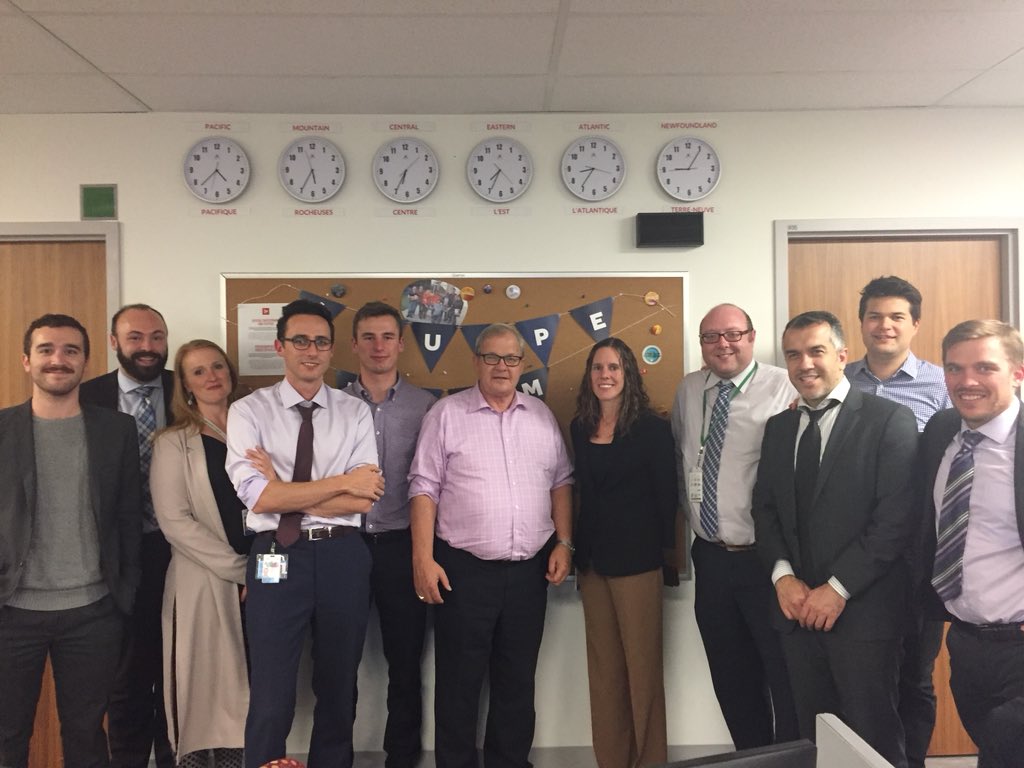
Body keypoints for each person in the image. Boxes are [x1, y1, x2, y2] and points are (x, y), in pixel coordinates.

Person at [752, 310, 918, 768]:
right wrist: (783, 578)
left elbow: (894, 521)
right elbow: (764, 511)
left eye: (816, 351)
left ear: (842, 356)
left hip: (863, 614)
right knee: (813, 740)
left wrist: (838, 588)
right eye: (793, 355)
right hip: (796, 613)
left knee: (873, 740)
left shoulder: (889, 420)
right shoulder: (778, 428)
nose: (804, 364)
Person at [225, 298, 385, 768]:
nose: (311, 351)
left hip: (342, 556)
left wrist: (283, 487)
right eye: (300, 341)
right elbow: (259, 498)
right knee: (271, 689)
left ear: (332, 350)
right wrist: (337, 483)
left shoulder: (354, 412)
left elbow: (364, 499)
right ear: (280, 346)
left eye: (320, 342)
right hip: (275, 554)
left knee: (338, 686)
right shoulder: (248, 412)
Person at [409, 323, 574, 768]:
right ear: (476, 361)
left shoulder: (541, 416)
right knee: (459, 683)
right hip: (463, 571)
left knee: (517, 682)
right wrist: (422, 558)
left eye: (511, 358)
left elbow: (561, 481)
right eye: (492, 357)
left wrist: (564, 542)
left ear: (522, 364)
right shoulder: (446, 414)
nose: (502, 366)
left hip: (528, 574)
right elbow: (423, 487)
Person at [0, 313, 141, 768]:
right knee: (7, 735)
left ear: (86, 361)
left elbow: (128, 516)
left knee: (86, 736)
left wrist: (124, 593)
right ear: (26, 360)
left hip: (93, 613)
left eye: (70, 351)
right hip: (11, 612)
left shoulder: (116, 430)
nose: (58, 360)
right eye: (46, 350)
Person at [670, 304, 799, 749]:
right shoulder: (689, 389)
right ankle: (752, 757)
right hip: (709, 557)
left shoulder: (784, 386)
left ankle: (789, 760)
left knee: (783, 675)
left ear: (752, 336)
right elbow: (682, 456)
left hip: (766, 562)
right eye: (710, 337)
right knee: (731, 677)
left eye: (732, 334)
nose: (722, 344)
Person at [845, 276, 951, 768]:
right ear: (861, 323)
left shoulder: (943, 385)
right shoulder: (840, 380)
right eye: (874, 316)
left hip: (920, 556)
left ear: (915, 324)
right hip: (855, 553)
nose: (884, 325)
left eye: (896, 317)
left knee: (915, 676)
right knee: (863, 676)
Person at [920, 319, 1024, 768]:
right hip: (965, 643)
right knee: (991, 746)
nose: (967, 381)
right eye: (954, 368)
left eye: (984, 367)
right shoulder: (942, 431)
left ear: (1017, 372)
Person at [571, 337, 676, 768]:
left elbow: (667, 499)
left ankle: (649, 761)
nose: (605, 375)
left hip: (638, 565)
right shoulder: (580, 427)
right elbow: (583, 495)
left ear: (628, 373)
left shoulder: (653, 429)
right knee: (604, 674)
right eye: (598, 368)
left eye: (614, 367)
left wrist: (663, 557)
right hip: (592, 565)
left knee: (642, 673)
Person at [80, 302, 175, 768]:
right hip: (114, 555)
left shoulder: (188, 386)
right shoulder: (87, 396)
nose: (147, 347)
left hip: (179, 550)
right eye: (135, 337)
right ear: (114, 342)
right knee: (126, 676)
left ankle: (176, 757)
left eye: (157, 337)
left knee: (178, 670)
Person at [342, 302, 436, 768]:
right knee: (338, 661)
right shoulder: (333, 404)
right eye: (368, 337)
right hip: (345, 546)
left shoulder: (428, 406)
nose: (378, 346)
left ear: (401, 344)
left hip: (404, 547)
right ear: (354, 344)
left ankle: (402, 757)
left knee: (405, 662)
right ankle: (334, 755)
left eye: (387, 337)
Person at [150, 340, 251, 768]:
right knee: (204, 690)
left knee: (250, 688)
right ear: (185, 385)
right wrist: (241, 570)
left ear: (230, 372)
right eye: (198, 371)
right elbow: (175, 522)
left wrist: (261, 572)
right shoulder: (173, 443)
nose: (211, 377)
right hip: (204, 581)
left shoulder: (256, 431)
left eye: (217, 366)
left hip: (262, 580)